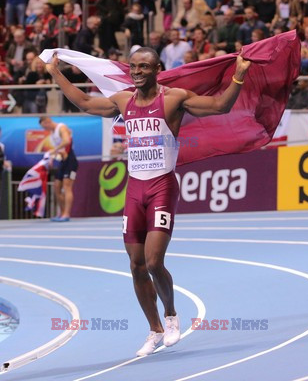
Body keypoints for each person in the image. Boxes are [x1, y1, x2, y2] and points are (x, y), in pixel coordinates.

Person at [44, 47, 251, 355]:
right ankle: (153, 329)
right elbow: (86, 102)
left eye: (143, 66)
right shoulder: (123, 100)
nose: (137, 71)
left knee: (154, 261)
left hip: (162, 187)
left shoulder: (173, 99)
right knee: (136, 265)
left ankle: (170, 316)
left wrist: (238, 76)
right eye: (133, 67)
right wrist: (55, 73)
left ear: (157, 70)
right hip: (135, 190)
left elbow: (220, 106)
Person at [39, 116, 78, 222]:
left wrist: (54, 150)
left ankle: (66, 214)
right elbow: (60, 149)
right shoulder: (52, 134)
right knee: (56, 187)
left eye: (44, 127)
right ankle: (62, 212)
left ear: (47, 122)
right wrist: (51, 158)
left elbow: (67, 141)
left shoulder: (61, 127)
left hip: (70, 161)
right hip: (62, 161)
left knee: (67, 187)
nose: (45, 129)